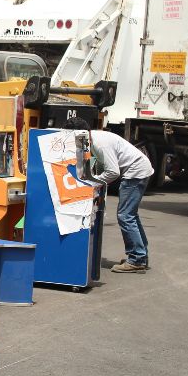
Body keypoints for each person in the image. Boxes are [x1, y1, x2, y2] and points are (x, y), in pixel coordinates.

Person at [63, 117, 154, 273]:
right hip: (139, 169)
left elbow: (113, 171)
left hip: (135, 172)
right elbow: (101, 165)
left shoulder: (99, 143)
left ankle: (137, 259)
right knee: (131, 215)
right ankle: (140, 255)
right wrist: (94, 178)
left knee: (125, 216)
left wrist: (92, 183)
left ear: (81, 134)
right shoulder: (92, 139)